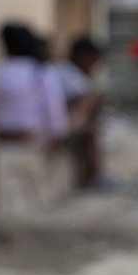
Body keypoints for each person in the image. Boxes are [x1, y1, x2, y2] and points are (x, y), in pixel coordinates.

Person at [0, 23, 69, 148]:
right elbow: (54, 106)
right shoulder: (41, 70)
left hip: (0, 136)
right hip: (31, 137)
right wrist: (58, 134)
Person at [51, 37, 110, 188]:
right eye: (92, 63)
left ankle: (94, 176)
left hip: (64, 122)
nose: (93, 68)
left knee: (90, 128)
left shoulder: (65, 71)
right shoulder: (70, 74)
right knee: (91, 107)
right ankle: (93, 177)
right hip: (62, 125)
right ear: (83, 57)